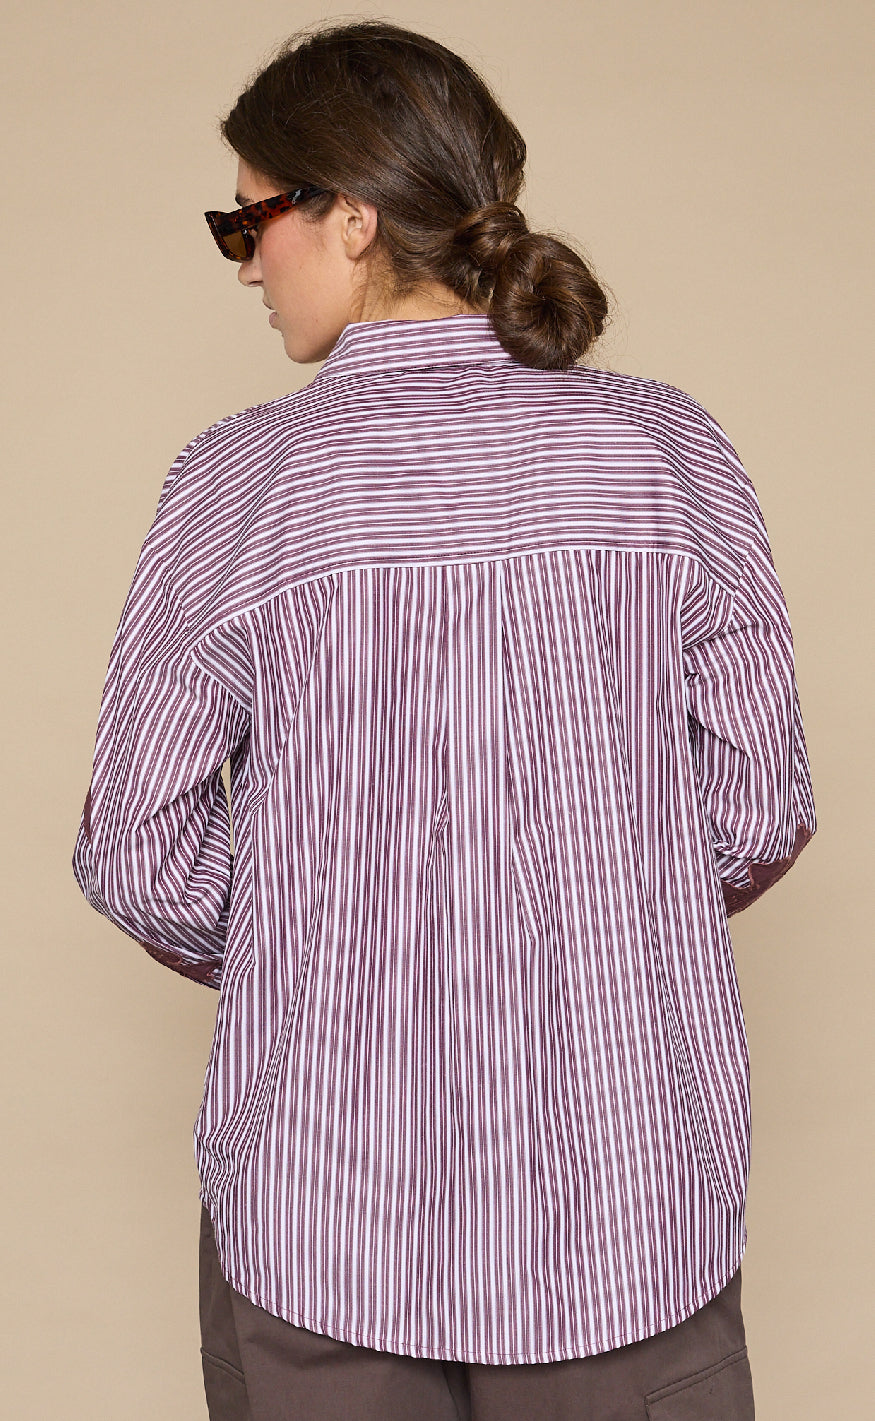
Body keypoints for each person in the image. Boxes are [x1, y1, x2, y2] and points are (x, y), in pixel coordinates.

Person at [71, 18, 816, 1421]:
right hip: (623, 1213)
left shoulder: (236, 483)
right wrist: (600, 912)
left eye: (247, 222)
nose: (245, 264)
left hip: (320, 1223)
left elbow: (137, 846)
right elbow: (760, 801)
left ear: (350, 216)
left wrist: (322, 943)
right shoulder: (664, 446)